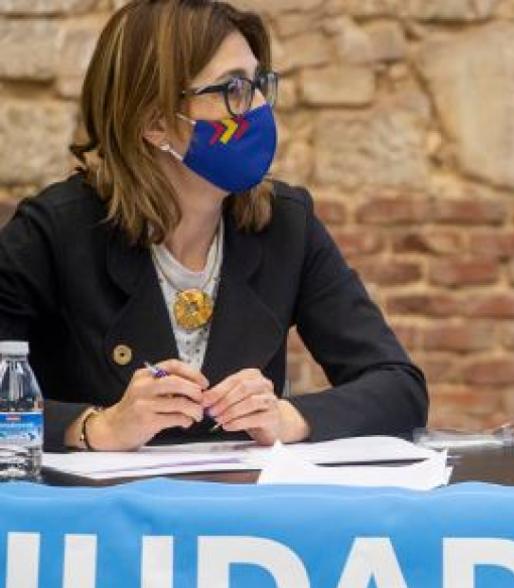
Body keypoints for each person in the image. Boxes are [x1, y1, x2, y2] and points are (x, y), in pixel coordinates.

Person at [0, 0, 427, 451]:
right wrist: (93, 427)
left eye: (258, 85)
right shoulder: (55, 232)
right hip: (99, 516)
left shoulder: (285, 224)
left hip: (235, 513)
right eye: (234, 89)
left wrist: (290, 417)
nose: (258, 107)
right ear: (156, 122)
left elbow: (398, 387)